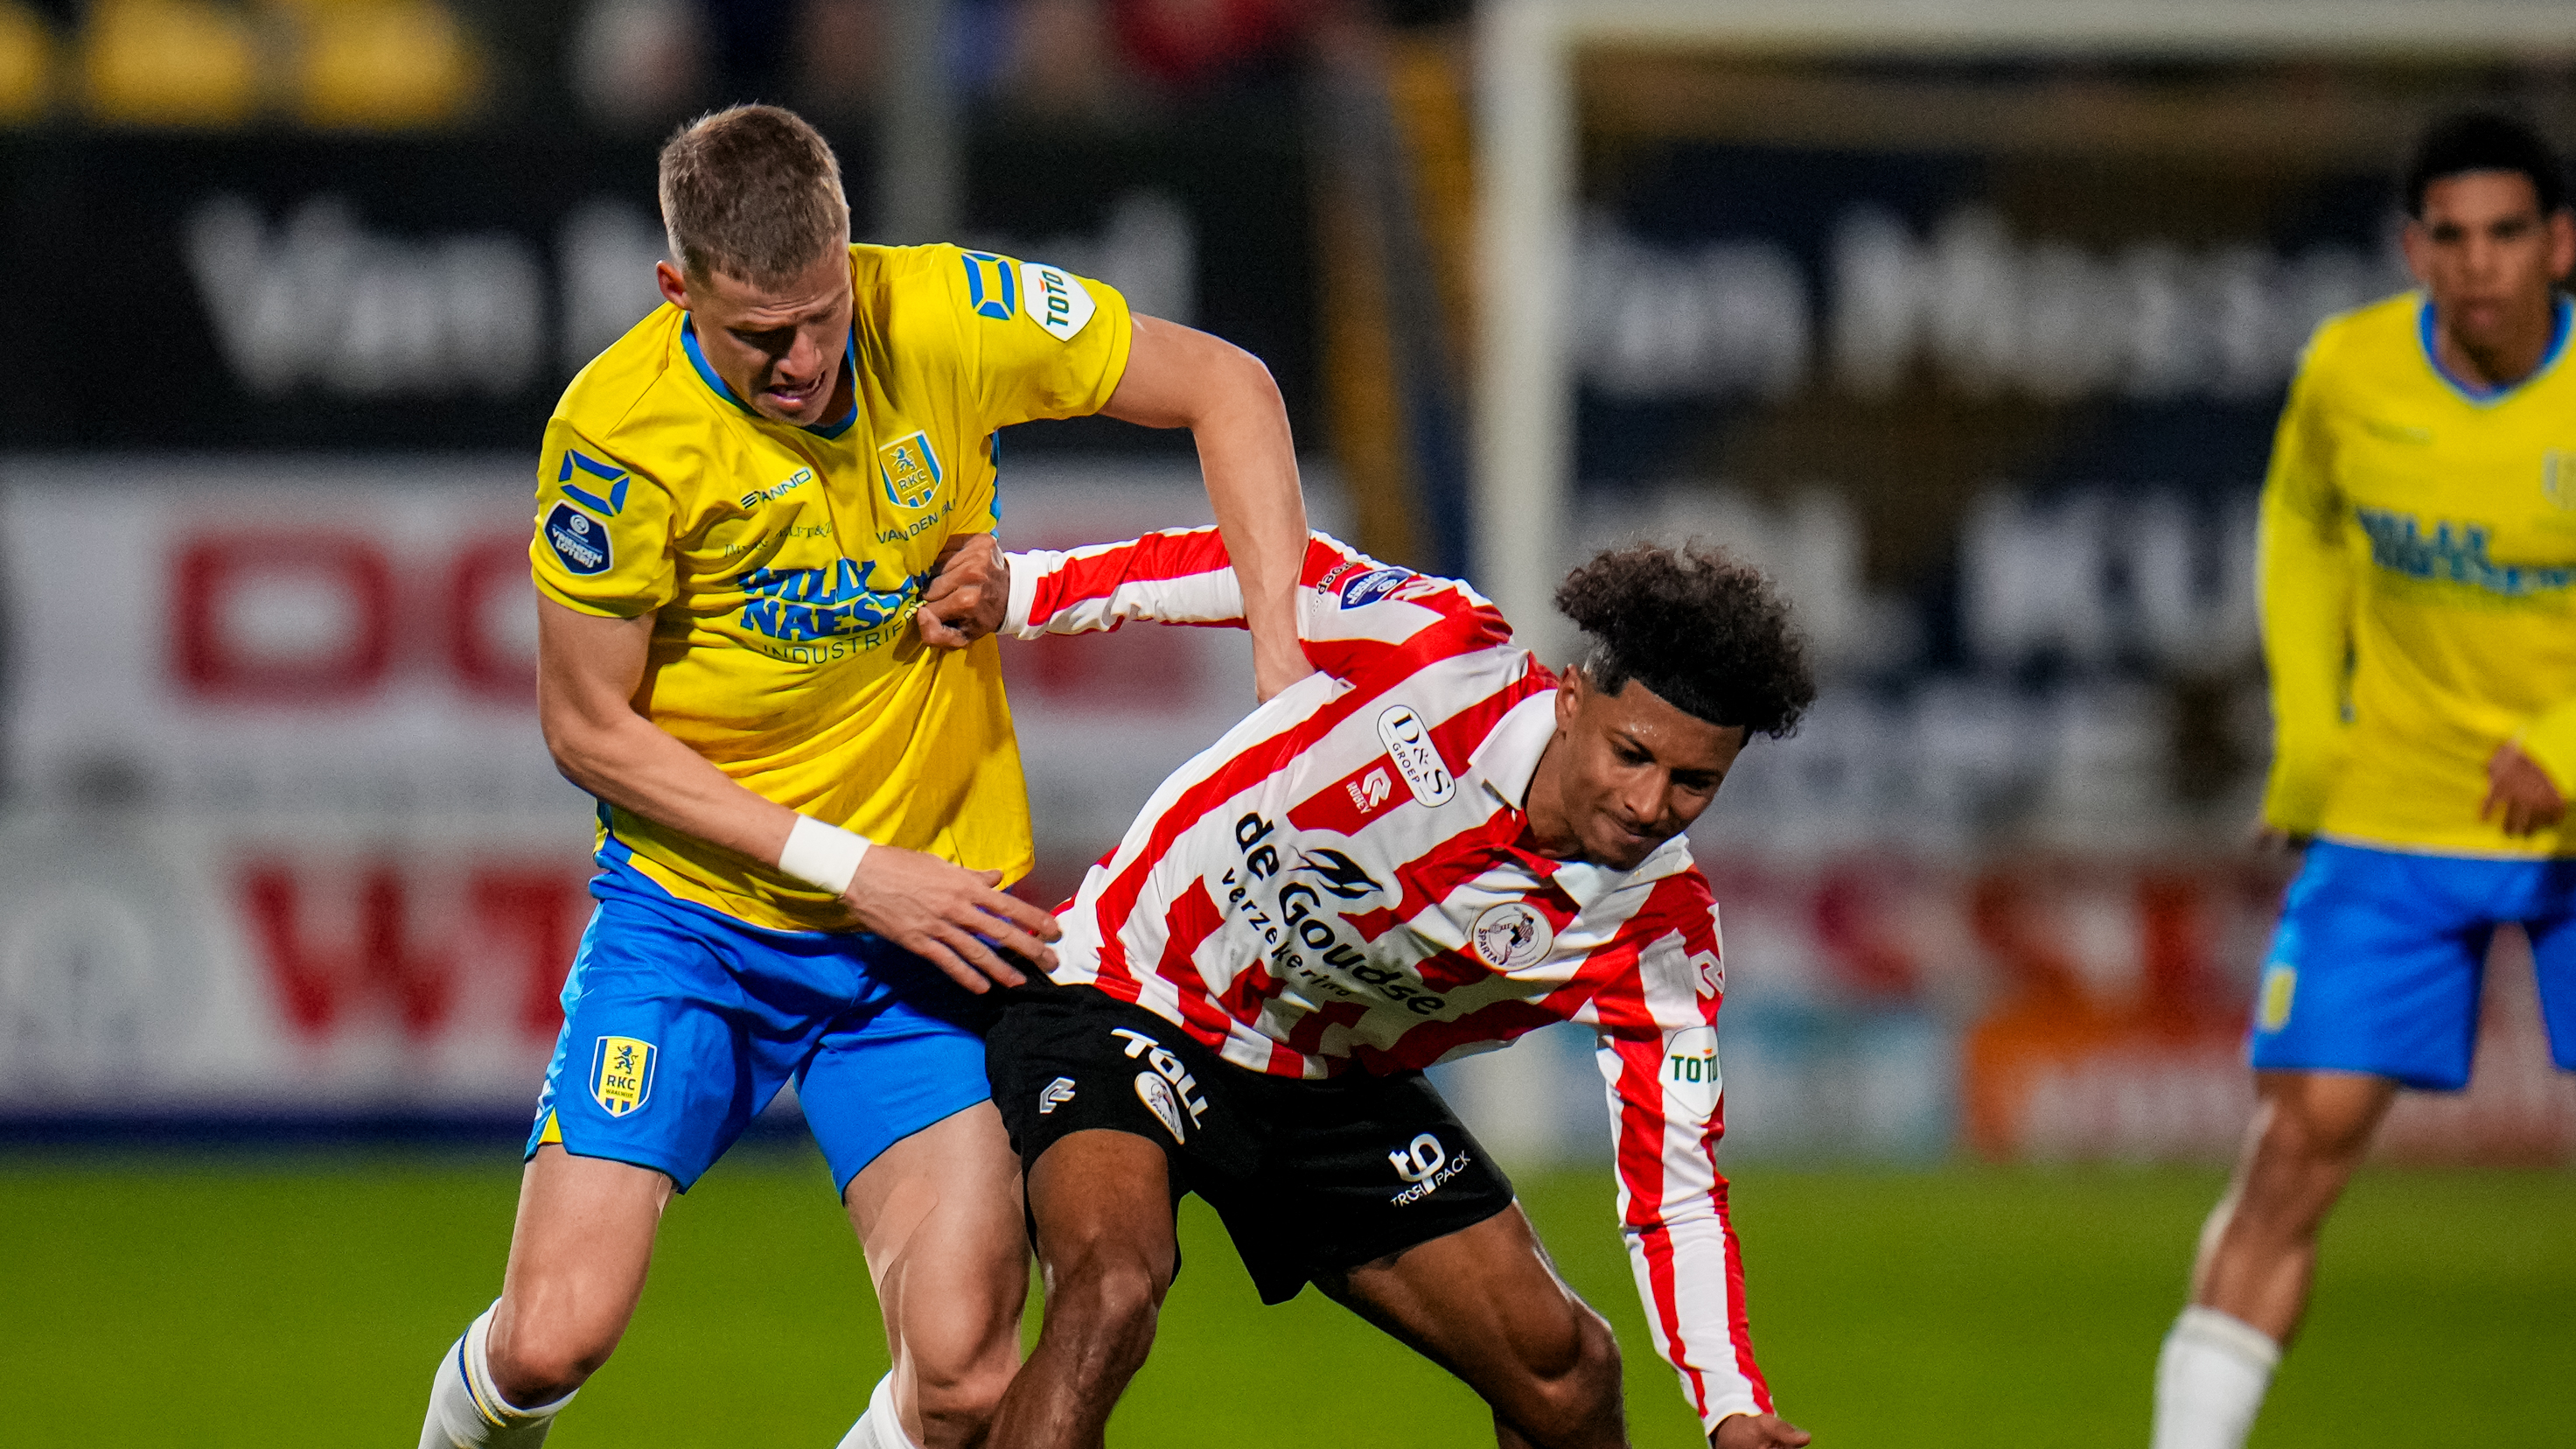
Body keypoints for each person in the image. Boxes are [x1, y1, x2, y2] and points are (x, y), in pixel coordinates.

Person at [416, 104, 1311, 1449]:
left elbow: (1228, 386)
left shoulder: (946, 310)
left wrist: (1283, 671)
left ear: (850, 258)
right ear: (677, 294)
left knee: (962, 1379)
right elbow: (587, 731)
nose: (804, 358)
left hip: (928, 935)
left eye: (823, 314)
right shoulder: (617, 437)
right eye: (758, 334)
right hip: (696, 926)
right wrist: (853, 871)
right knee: (552, 1341)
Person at [975, 526, 1818, 1448]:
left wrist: (1729, 1403)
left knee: (1566, 1372)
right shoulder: (1437, 651)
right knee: (1112, 1290)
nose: (1649, 805)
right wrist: (1019, 590)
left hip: (1321, 1083)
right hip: (1131, 983)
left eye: (1694, 783)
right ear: (1572, 700)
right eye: (1632, 756)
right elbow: (1248, 562)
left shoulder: (1659, 932)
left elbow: (1679, 1190)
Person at [2150, 111, 2576, 1449]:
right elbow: (2301, 524)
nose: (2479, 264)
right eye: (2448, 237)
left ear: (2559, 244)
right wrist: (2310, 732)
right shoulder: (2350, 371)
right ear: (2413, 249)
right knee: (2289, 1158)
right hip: (2395, 813)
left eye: (2507, 233)